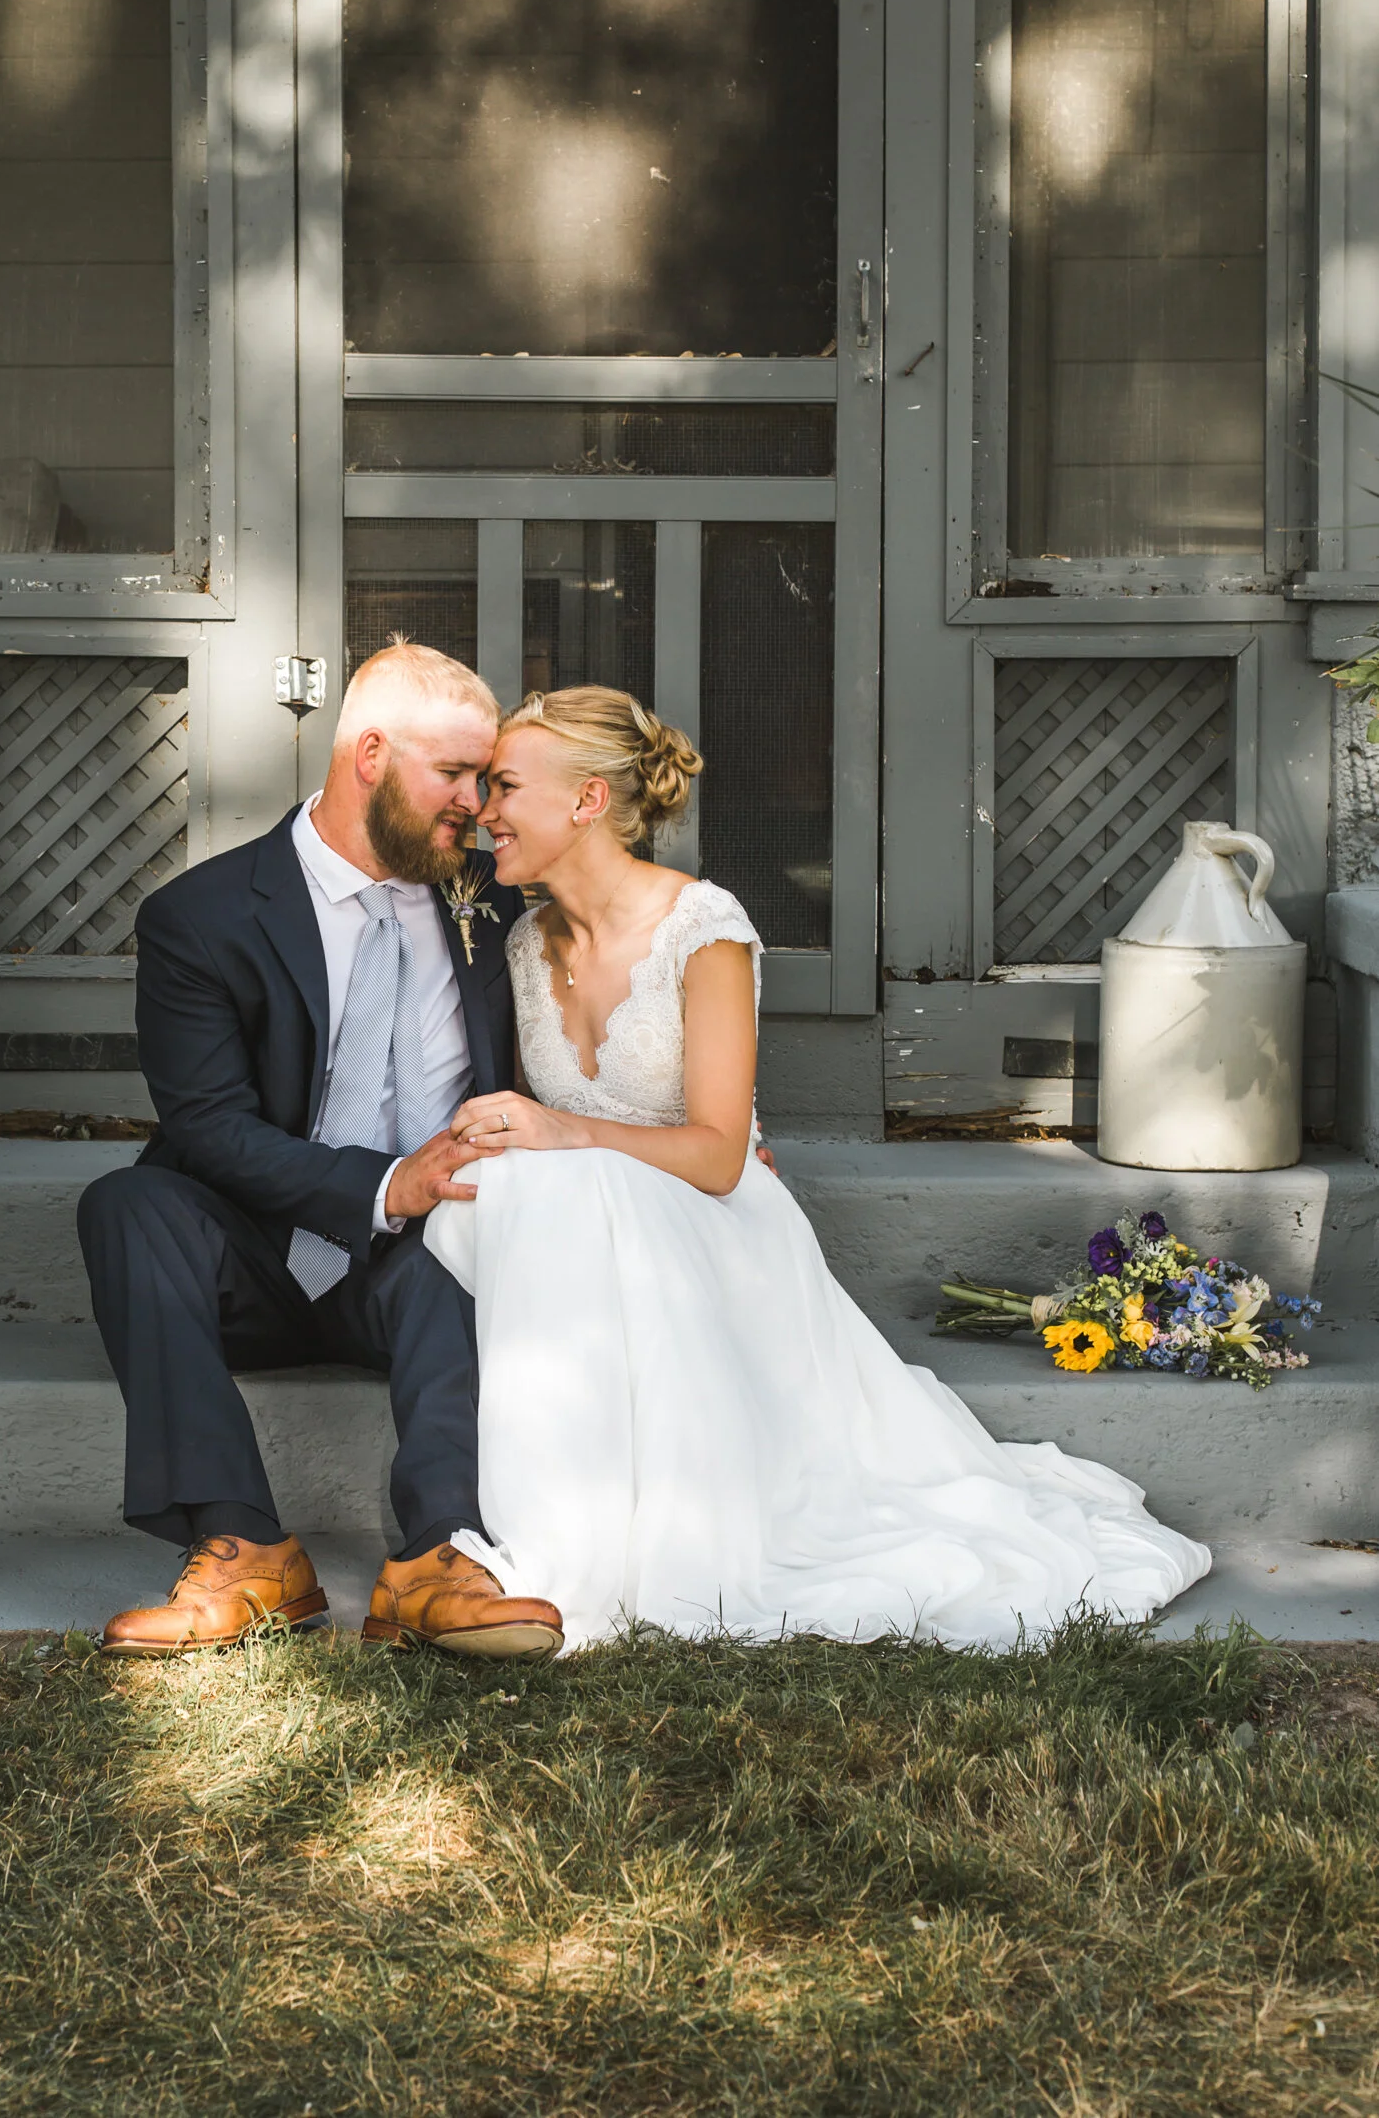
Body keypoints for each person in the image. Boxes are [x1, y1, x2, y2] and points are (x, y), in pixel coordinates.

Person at [425, 684, 1212, 1650]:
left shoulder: (701, 929)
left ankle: (607, 1546)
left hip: (713, 1225)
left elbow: (718, 1157)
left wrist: (560, 1133)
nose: (482, 811)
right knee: (511, 1191)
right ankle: (549, 1528)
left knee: (564, 1178)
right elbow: (538, 1136)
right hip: (589, 1233)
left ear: (587, 800)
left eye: (504, 786)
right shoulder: (519, 941)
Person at [78, 641, 562, 1659]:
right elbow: (208, 1127)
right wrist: (388, 1182)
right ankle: (247, 1549)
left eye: (486, 778)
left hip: (422, 1259)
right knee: (128, 1204)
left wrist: (682, 1136)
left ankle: (442, 1559)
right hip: (258, 1252)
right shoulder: (200, 919)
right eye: (456, 774)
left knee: (457, 1242)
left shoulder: (497, 896)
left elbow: (588, 1029)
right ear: (371, 755)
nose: (477, 802)